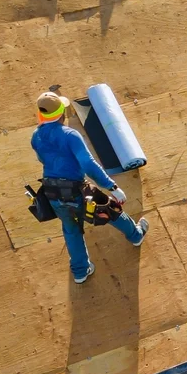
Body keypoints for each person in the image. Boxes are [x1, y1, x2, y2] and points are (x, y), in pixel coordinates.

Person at [31, 91, 148, 283]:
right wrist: (112, 187)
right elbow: (88, 164)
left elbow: (42, 159)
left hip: (52, 192)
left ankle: (80, 271)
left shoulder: (36, 136)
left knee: (70, 229)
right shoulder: (70, 135)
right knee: (110, 211)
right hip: (77, 190)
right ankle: (136, 235)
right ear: (61, 113)